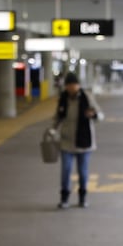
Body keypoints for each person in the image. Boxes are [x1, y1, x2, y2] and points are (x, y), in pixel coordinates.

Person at [52, 72, 104, 209]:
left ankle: (82, 197)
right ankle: (64, 199)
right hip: (66, 142)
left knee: (83, 172)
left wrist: (94, 115)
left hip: (84, 142)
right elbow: (58, 116)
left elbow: (100, 115)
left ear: (78, 85)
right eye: (68, 85)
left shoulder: (87, 97)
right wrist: (53, 130)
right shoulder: (63, 98)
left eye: (74, 85)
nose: (71, 88)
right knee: (66, 171)